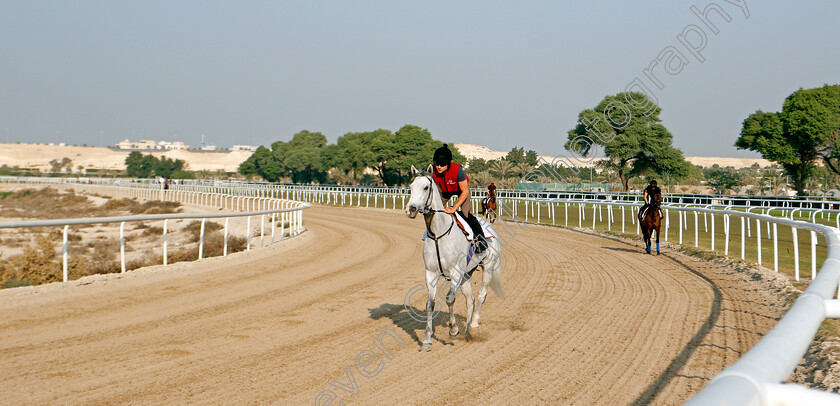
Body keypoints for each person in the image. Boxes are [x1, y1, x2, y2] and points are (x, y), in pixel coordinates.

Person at [431, 144, 487, 253]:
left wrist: (454, 208)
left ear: (448, 163)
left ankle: (481, 240)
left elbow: (465, 191)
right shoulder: (432, 170)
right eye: (437, 163)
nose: (438, 167)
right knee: (435, 212)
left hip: (461, 190)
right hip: (445, 192)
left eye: (442, 164)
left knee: (465, 213)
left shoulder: (457, 170)